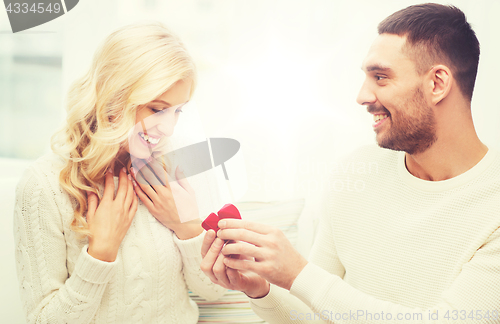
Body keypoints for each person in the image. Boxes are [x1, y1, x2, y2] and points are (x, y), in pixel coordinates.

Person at [200, 3, 500, 323]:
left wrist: (298, 274)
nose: (362, 96)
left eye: (380, 77)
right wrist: (260, 290)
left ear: (437, 83)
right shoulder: (356, 172)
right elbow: (316, 313)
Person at [13, 21, 225, 324]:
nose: (169, 128)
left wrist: (187, 227)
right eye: (156, 109)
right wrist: (100, 253)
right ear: (113, 97)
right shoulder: (43, 186)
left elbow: (214, 291)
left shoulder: (179, 162)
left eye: (178, 111)